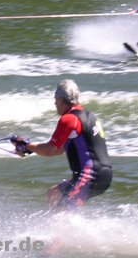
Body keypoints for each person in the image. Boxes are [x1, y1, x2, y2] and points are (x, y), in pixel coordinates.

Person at [11, 79, 112, 210]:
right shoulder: (89, 116)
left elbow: (50, 150)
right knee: (54, 194)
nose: (54, 103)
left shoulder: (69, 119)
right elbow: (59, 149)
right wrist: (29, 148)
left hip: (89, 176)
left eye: (55, 98)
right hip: (103, 173)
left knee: (63, 214)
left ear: (62, 99)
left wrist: (25, 145)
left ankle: (62, 230)